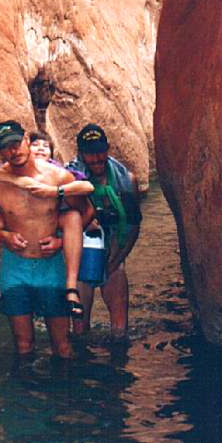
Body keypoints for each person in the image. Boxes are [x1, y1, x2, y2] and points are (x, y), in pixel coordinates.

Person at [0, 120, 90, 359]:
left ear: (27, 141)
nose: (13, 151)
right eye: (6, 147)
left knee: (62, 346)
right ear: (0, 151)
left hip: (51, 265)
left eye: (17, 143)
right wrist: (4, 237)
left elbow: (84, 212)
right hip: (16, 266)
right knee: (23, 345)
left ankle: (65, 393)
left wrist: (62, 242)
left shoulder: (57, 176)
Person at [68, 123, 142, 342]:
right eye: (90, 154)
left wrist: (117, 258)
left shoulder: (126, 180)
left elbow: (134, 224)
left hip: (113, 252)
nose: (97, 158)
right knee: (79, 331)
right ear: (81, 153)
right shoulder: (69, 178)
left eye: (101, 152)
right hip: (81, 256)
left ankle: (118, 364)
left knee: (120, 333)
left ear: (108, 149)